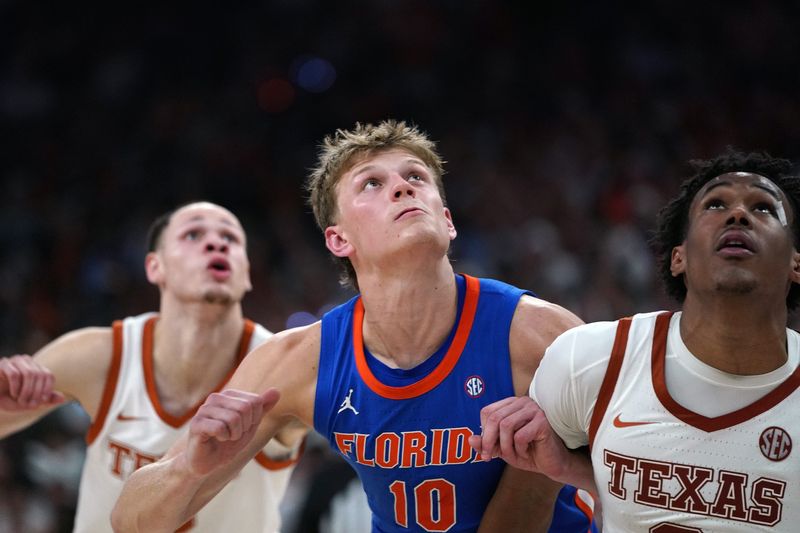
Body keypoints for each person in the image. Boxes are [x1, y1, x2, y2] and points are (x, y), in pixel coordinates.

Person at [111, 120, 597, 532]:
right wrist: (191, 469)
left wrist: (558, 466)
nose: (403, 187)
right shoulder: (301, 360)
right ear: (338, 238)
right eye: (372, 183)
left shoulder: (541, 335)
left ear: (447, 221)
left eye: (416, 177)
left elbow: (653, 472)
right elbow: (130, 520)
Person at [472, 149, 800, 531]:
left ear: (796, 262)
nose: (738, 214)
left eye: (763, 208)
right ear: (679, 258)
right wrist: (575, 470)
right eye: (715, 204)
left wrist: (583, 473)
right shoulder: (588, 360)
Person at [0, 201, 306, 532]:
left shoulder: (282, 364)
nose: (217, 243)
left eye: (230, 239)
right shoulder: (100, 355)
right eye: (193, 234)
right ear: (154, 267)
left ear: (246, 272)